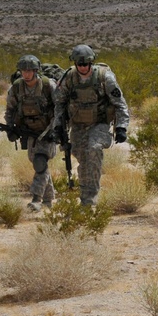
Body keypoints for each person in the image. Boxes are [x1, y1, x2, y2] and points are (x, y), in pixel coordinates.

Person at [52, 44, 131, 207]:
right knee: (82, 159)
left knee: (94, 150)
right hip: (78, 125)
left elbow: (120, 103)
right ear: (75, 64)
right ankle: (85, 195)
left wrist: (121, 127)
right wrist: (58, 126)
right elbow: (59, 104)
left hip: (99, 124)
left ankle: (91, 199)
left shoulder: (105, 77)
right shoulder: (69, 78)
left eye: (85, 64)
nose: (82, 67)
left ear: (91, 62)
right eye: (79, 64)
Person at [3, 55, 58, 211]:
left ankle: (36, 199)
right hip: (29, 131)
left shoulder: (48, 86)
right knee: (37, 162)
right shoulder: (16, 87)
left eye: (29, 71)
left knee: (40, 162)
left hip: (47, 131)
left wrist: (55, 129)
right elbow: (10, 109)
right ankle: (48, 200)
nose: (26, 74)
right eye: (23, 71)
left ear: (35, 71)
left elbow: (59, 109)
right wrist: (10, 127)